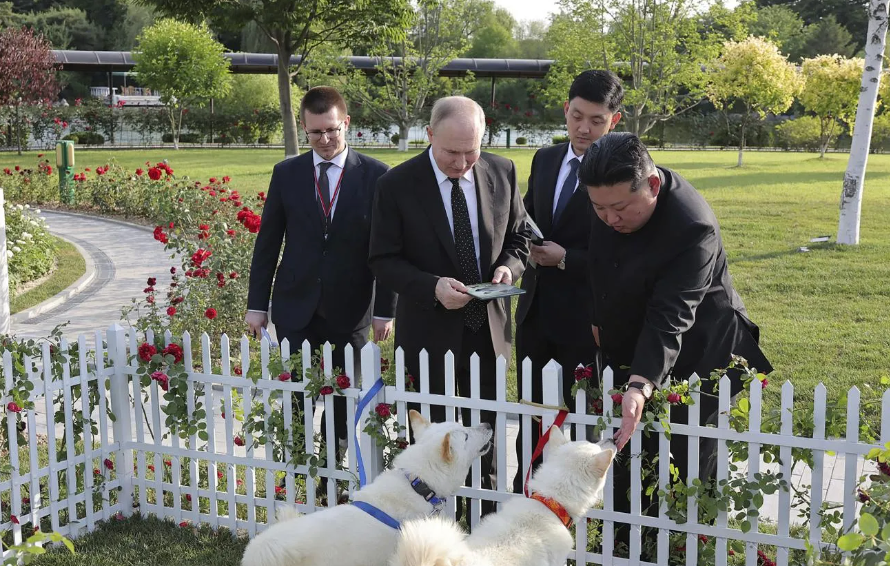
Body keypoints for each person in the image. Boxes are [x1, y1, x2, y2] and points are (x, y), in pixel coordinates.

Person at [578, 132, 772, 543]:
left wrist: (640, 384)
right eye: (598, 208)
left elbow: (672, 316)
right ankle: (629, 543)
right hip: (637, 340)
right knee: (631, 446)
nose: (609, 219)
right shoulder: (609, 195)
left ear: (651, 185)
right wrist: (598, 317)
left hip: (702, 350)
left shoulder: (692, 226)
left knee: (690, 455)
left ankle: (690, 546)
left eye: (619, 209)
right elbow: (600, 262)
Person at [369, 95, 530, 516]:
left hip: (488, 330)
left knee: (485, 435)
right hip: (428, 332)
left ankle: (484, 521)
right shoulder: (396, 184)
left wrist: (508, 268)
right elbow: (383, 260)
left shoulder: (502, 170)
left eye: (470, 151)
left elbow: (520, 238)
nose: (461, 163)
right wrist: (432, 287)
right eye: (451, 153)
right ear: (429, 135)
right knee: (432, 441)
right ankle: (432, 523)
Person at [246, 86, 395, 483]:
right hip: (295, 307)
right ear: (304, 129)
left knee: (343, 398)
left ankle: (332, 472)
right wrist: (257, 305)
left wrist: (385, 310)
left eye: (332, 130)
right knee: (296, 395)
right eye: (315, 133)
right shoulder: (287, 174)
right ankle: (297, 474)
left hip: (351, 310)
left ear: (346, 123)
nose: (325, 140)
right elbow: (268, 243)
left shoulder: (378, 176)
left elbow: (389, 250)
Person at [512, 69, 624, 494]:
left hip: (586, 317)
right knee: (533, 416)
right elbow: (525, 216)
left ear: (614, 120)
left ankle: (577, 502)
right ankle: (527, 492)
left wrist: (566, 259)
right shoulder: (545, 159)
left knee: (582, 422)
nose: (584, 129)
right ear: (566, 110)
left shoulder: (622, 169)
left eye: (596, 121)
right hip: (535, 312)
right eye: (577, 116)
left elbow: (624, 253)